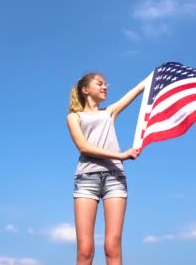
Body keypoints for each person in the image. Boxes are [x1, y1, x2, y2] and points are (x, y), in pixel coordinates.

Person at [66, 72, 146, 265]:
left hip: (115, 179)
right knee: (85, 250)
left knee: (112, 246)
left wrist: (152, 77)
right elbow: (84, 147)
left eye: (106, 84)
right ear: (85, 90)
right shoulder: (74, 117)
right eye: (99, 83)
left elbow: (135, 91)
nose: (105, 87)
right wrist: (121, 155)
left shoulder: (109, 112)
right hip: (86, 179)